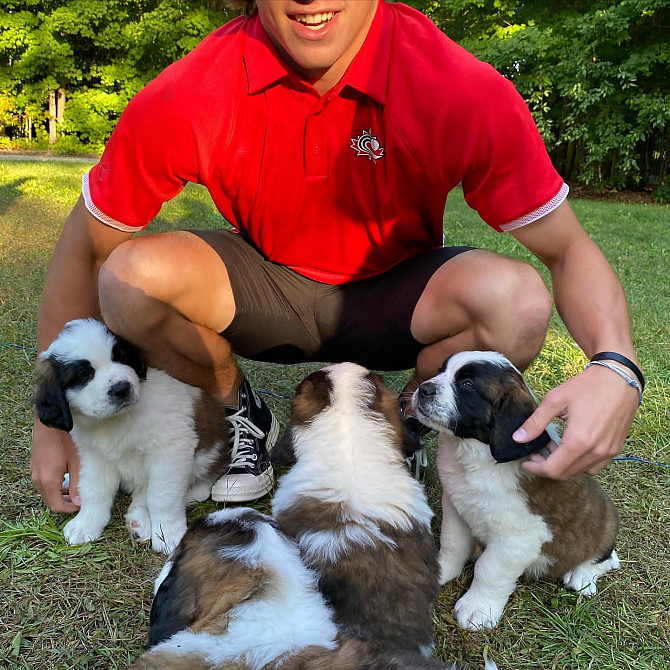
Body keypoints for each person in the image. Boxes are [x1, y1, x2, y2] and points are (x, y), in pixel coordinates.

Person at [31, 0, 642, 513]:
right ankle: (237, 411)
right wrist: (55, 422)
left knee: (518, 299)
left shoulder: (455, 85)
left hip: (397, 295)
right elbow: (86, 248)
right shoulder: (195, 88)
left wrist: (617, 367)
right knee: (129, 277)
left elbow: (566, 250)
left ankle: (408, 420)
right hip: (264, 288)